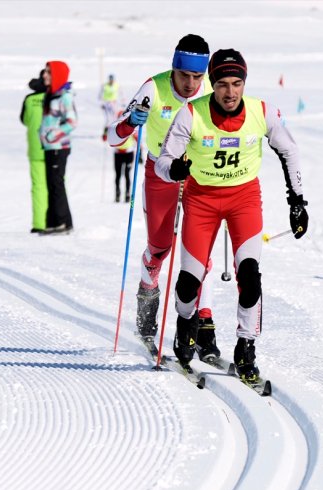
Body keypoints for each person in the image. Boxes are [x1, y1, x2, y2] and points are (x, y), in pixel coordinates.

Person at [155, 48, 308, 383]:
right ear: (212, 85)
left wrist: (297, 201)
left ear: (244, 83)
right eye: (222, 84)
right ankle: (185, 325)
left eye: (236, 83)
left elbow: (289, 150)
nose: (230, 92)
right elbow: (162, 162)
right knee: (188, 284)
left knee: (250, 276)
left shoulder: (260, 111)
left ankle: (246, 346)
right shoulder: (190, 114)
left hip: (244, 200)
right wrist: (175, 169)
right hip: (201, 201)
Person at [108, 34, 219, 358]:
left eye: (198, 77)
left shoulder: (212, 92)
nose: (190, 84)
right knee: (159, 251)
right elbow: (114, 136)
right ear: (174, 69)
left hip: (200, 177)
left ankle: (204, 322)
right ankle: (147, 294)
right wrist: (130, 122)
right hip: (161, 173)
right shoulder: (153, 88)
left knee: (201, 255)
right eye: (185, 75)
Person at [39, 60, 77, 234]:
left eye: (48, 72)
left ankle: (60, 223)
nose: (44, 75)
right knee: (54, 184)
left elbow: (72, 122)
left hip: (58, 147)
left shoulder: (64, 97)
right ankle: (62, 222)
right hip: (50, 147)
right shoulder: (51, 94)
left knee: (56, 184)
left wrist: (53, 134)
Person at [20, 69, 48, 233]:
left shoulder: (29, 99)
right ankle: (54, 221)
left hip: (35, 148)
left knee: (38, 187)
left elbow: (24, 120)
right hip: (54, 148)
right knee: (56, 185)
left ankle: (39, 223)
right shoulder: (53, 97)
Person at [111, 111, 138, 203]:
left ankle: (127, 194)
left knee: (127, 174)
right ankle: (117, 194)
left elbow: (138, 139)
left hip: (128, 153)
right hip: (118, 153)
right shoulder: (115, 128)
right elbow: (108, 137)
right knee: (118, 175)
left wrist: (140, 154)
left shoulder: (131, 127)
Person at [99, 74, 123, 141]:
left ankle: (114, 133)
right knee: (108, 120)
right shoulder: (104, 86)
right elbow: (100, 96)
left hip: (114, 103)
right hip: (106, 104)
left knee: (115, 119)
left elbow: (121, 94)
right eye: (110, 80)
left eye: (112, 80)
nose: (111, 81)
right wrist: (102, 104)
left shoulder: (116, 86)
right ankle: (105, 134)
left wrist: (122, 103)